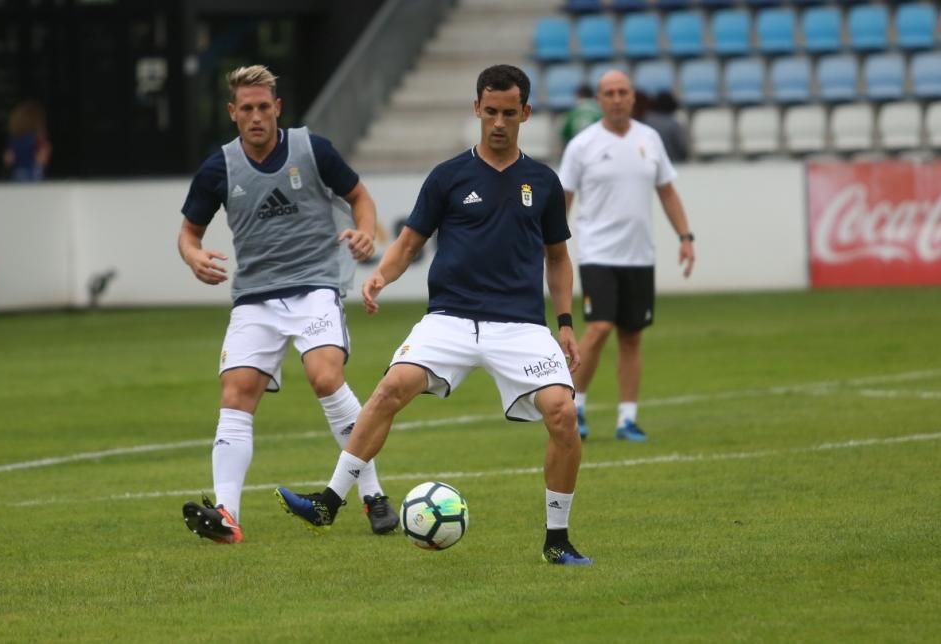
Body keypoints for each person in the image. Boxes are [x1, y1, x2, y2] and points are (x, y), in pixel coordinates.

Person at [275, 64, 592, 566]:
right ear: (477, 109)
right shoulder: (448, 176)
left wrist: (567, 323)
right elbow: (408, 242)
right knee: (390, 387)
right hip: (449, 318)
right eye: (490, 112)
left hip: (521, 326)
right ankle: (328, 502)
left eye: (510, 113)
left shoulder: (543, 182)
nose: (499, 123)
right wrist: (382, 275)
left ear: (525, 113)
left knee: (562, 415)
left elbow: (557, 256)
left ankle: (558, 539)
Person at [177, 64, 399, 544]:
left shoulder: (312, 149)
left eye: (264, 107)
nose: (256, 117)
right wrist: (194, 256)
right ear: (232, 113)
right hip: (255, 297)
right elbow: (188, 233)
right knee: (236, 393)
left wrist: (364, 230)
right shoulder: (219, 167)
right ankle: (228, 517)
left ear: (277, 108)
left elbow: (359, 196)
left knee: (325, 377)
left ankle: (373, 495)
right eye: (247, 109)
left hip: (315, 285)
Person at [558, 70, 695, 442]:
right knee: (599, 328)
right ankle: (575, 407)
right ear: (599, 100)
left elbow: (667, 191)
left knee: (632, 336)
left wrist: (685, 236)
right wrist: (553, 247)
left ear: (633, 97)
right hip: (598, 253)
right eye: (609, 93)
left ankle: (627, 419)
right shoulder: (582, 145)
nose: (617, 98)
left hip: (639, 255)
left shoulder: (649, 139)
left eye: (623, 92)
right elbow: (563, 202)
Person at [3, 100, 51, 181]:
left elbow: (8, 159)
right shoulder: (38, 139)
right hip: (33, 172)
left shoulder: (14, 140)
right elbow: (42, 158)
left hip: (18, 172)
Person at [643, 91, 688, 163]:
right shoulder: (674, 124)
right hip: (673, 162)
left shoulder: (646, 121)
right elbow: (682, 148)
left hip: (651, 163)